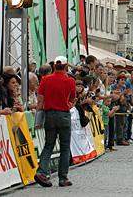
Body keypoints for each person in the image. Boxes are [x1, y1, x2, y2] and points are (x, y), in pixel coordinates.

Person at [34, 56, 76, 188]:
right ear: (65, 66)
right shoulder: (70, 81)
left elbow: (40, 100)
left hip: (49, 114)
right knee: (64, 146)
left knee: (49, 144)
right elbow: (73, 99)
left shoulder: (45, 80)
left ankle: (41, 171)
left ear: (54, 66)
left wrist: (38, 119)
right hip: (63, 115)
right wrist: (67, 105)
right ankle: (63, 178)